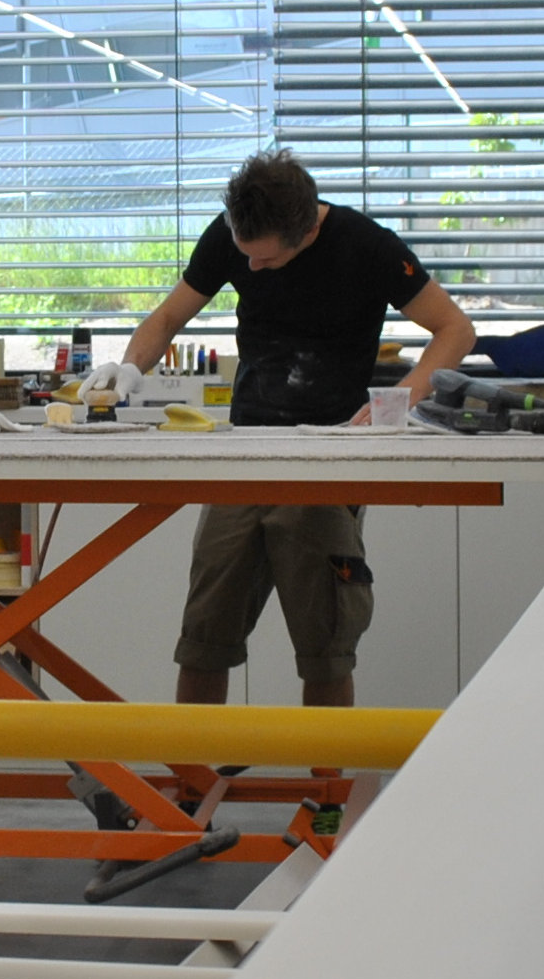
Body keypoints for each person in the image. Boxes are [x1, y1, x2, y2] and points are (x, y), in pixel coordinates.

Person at [78, 148, 475, 708]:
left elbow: (455, 329)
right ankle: (191, 789)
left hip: (329, 457)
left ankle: (326, 794)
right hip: (243, 454)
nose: (252, 270)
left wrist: (400, 399)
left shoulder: (367, 245)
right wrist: (128, 370)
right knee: (203, 639)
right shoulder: (233, 233)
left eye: (264, 262)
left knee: (326, 646)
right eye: (246, 258)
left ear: (306, 228)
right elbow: (167, 317)